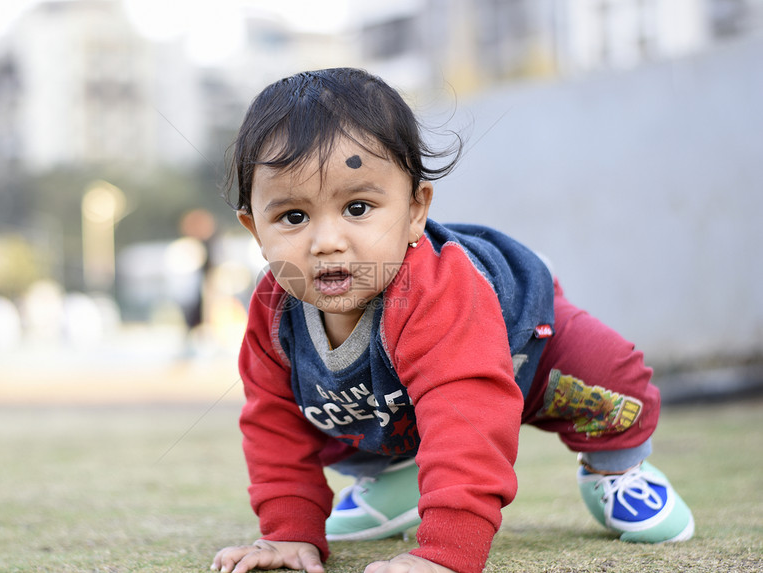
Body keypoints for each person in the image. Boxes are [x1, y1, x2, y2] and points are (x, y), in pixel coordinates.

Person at [211, 68, 694, 573]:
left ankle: (615, 469)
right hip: (397, 409)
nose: (326, 241)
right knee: (326, 407)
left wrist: (446, 552)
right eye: (293, 217)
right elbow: (275, 425)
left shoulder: (435, 290)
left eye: (357, 207)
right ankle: (399, 476)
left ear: (416, 210)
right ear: (254, 229)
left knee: (615, 377)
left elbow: (467, 419)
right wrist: (288, 533)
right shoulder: (274, 314)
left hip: (526, 347)